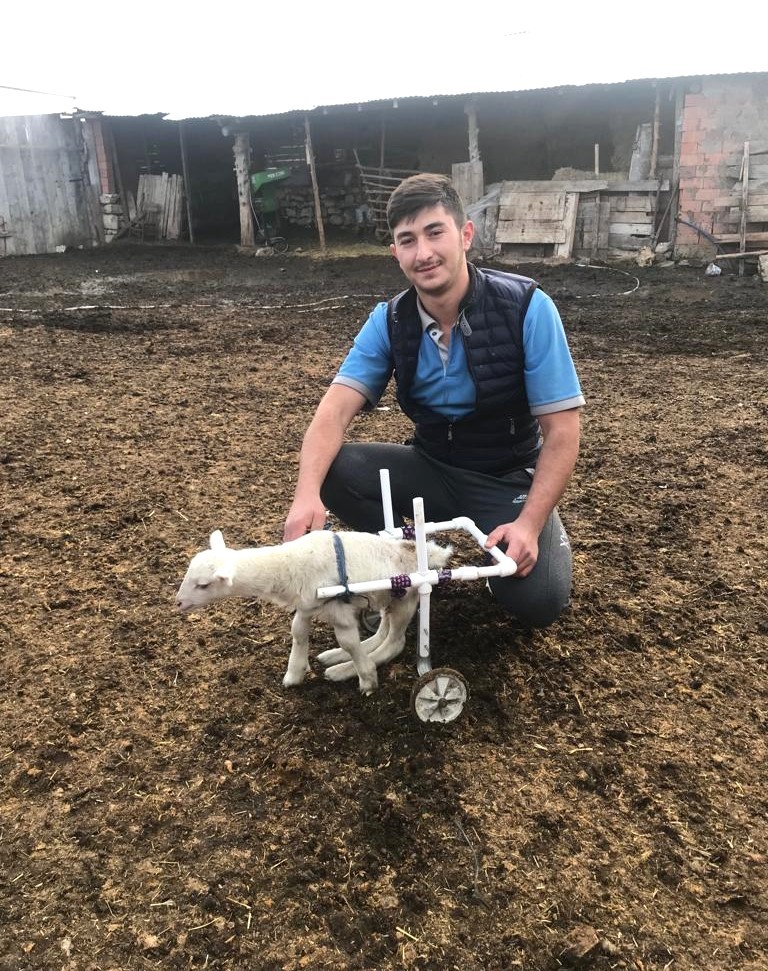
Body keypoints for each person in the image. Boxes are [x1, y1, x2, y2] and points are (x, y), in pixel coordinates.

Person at [283, 173, 584, 629]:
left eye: (434, 232)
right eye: (408, 240)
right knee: (335, 470)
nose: (423, 253)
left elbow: (562, 431)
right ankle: (399, 564)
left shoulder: (527, 307)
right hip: (432, 468)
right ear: (395, 253)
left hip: (504, 477)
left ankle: (518, 535)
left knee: (538, 601)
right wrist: (305, 495)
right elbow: (333, 411)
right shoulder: (389, 320)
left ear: (465, 234)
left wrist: (529, 523)